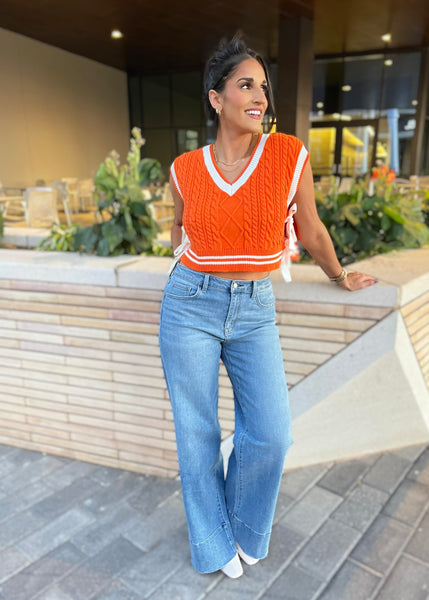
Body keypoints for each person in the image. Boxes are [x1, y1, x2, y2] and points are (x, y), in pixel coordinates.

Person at [159, 35, 377, 579]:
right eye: (246, 85)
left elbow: (312, 227)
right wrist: (180, 245)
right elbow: (175, 229)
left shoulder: (287, 154)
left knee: (272, 432)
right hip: (189, 302)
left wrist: (339, 274)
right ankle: (212, 545)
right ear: (216, 98)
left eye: (264, 87)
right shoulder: (184, 167)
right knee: (198, 434)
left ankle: (246, 527)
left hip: (255, 306)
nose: (260, 96)